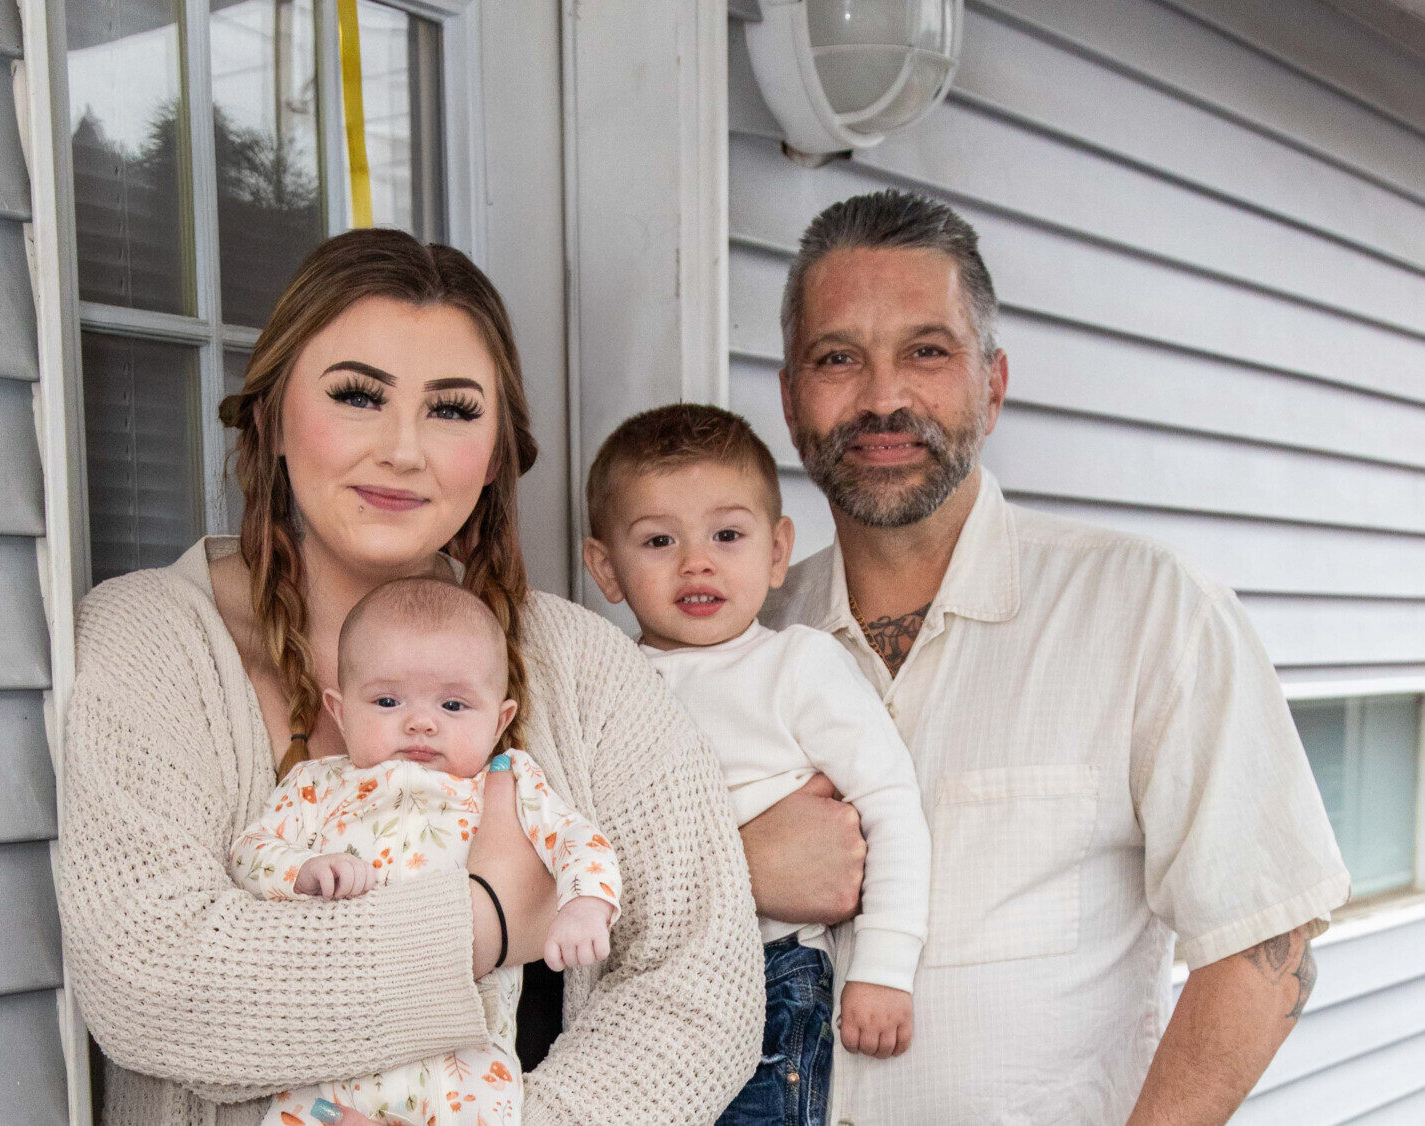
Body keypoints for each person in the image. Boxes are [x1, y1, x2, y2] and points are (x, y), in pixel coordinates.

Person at [56, 227, 762, 1126]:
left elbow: (703, 981)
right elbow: (152, 983)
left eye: (453, 409)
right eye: (358, 396)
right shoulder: (153, 639)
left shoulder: (581, 664)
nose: (403, 450)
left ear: (497, 448)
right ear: (271, 415)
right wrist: (493, 917)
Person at [743, 188, 1349, 1123]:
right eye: (836, 359)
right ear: (790, 398)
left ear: (991, 383)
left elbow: (1262, 951)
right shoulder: (739, 639)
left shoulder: (1150, 612)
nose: (882, 398)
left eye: (926, 351)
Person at [581, 402, 930, 1126]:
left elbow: (891, 802)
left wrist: (885, 970)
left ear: (776, 553)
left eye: (727, 534)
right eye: (656, 540)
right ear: (605, 568)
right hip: (637, 986)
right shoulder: (598, 682)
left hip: (770, 976)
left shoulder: (795, 666)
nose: (695, 561)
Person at [229, 577, 622, 1126]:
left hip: (464, 1077)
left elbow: (580, 841)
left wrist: (586, 903)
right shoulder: (316, 786)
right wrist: (302, 870)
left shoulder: (509, 784)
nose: (420, 721)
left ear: (501, 719)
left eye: (454, 704)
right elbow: (249, 851)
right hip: (333, 1073)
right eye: (387, 701)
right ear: (339, 711)